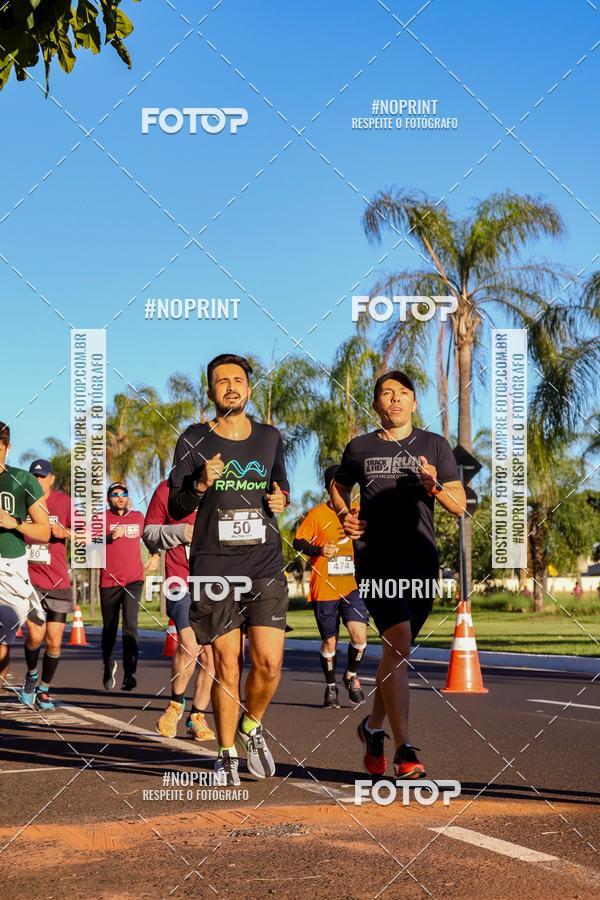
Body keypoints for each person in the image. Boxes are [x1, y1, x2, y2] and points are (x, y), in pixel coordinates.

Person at [331, 371, 466, 779]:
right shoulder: (360, 447)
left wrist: (434, 485)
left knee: (397, 654)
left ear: (414, 402)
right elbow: (337, 485)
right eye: (386, 394)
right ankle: (404, 750)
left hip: (421, 561)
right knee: (400, 642)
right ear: (375, 404)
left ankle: (373, 728)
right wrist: (345, 514)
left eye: (403, 393)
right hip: (376, 559)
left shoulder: (434, 445)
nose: (395, 399)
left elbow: (459, 505)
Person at [169, 353, 290, 786]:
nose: (231, 387)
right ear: (210, 392)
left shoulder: (270, 438)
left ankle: (250, 725)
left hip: (264, 563)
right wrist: (201, 483)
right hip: (215, 566)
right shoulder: (193, 439)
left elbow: (281, 486)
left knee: (269, 664)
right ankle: (225, 753)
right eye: (222, 381)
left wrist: (281, 499)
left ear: (249, 389)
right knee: (226, 665)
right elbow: (175, 504)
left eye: (238, 380)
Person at [143, 479, 216, 742]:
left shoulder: (224, 488)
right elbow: (149, 532)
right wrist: (181, 532)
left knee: (212, 655)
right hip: (179, 580)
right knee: (189, 645)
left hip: (216, 582)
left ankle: (197, 717)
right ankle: (174, 706)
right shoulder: (167, 489)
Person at [293, 465, 368, 709]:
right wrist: (319, 550)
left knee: (360, 636)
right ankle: (331, 687)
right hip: (324, 587)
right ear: (330, 488)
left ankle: (350, 676)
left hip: (351, 586)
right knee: (330, 643)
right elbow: (298, 542)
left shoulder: (358, 512)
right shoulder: (317, 515)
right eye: (339, 485)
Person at [0, 423, 50, 687]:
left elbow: (44, 531)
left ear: (7, 448)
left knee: (31, 631)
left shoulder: (22, 480)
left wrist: (15, 523)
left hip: (10, 567)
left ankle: (32, 673)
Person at [20, 460, 72, 710]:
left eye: (43, 476)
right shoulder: (22, 501)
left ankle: (44, 689)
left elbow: (88, 534)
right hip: (30, 580)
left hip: (58, 580)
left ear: (51, 479)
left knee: (54, 641)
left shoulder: (64, 502)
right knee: (35, 635)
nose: (38, 480)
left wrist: (66, 532)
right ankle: (31, 675)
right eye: (35, 476)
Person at [100, 482, 147, 691]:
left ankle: (130, 674)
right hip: (109, 581)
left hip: (133, 580)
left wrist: (155, 553)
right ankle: (108, 665)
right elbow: (87, 543)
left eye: (124, 493)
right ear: (108, 499)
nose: (120, 497)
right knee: (109, 628)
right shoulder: (101, 518)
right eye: (115, 494)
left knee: (130, 626)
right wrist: (110, 537)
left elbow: (148, 537)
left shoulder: (137, 517)